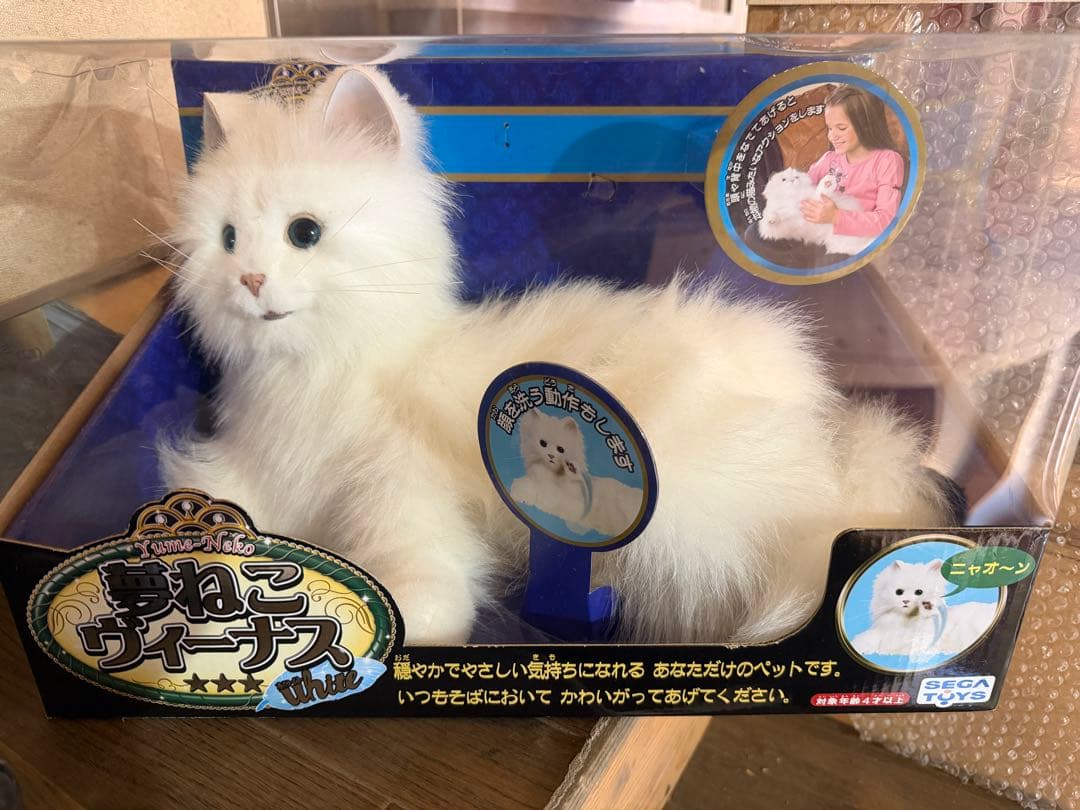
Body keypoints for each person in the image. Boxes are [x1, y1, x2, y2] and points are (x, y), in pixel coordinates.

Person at [801, 85, 906, 242]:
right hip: (817, 236)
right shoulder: (829, 159)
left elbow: (886, 221)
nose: (832, 136)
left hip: (855, 245)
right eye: (829, 128)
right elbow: (800, 188)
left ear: (865, 125)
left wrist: (836, 217)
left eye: (841, 128)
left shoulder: (887, 160)